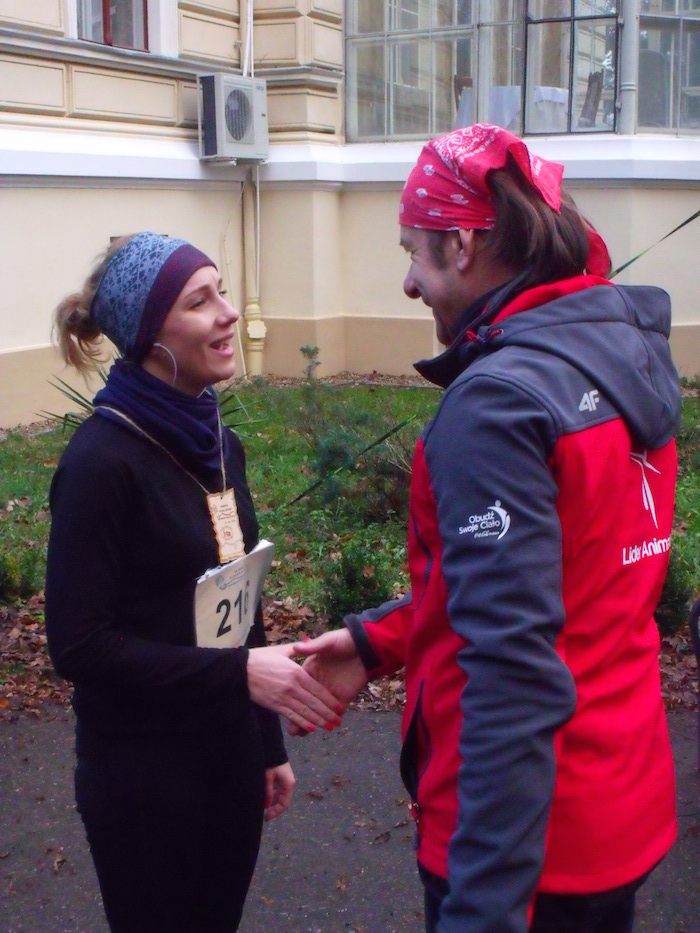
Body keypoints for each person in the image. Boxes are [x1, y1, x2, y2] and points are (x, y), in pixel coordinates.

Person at [294, 124, 681, 933]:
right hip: (619, 806)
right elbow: (573, 578)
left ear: (464, 245)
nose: (409, 282)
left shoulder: (500, 403)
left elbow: (513, 671)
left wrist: (484, 909)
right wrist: (380, 639)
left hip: (530, 849)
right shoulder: (618, 358)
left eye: (415, 252)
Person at [45, 231, 343, 933]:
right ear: (151, 335)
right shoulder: (101, 463)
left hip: (228, 751)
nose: (229, 313)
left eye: (222, 292)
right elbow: (78, 646)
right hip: (143, 772)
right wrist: (241, 675)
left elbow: (239, 591)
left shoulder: (216, 440)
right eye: (199, 301)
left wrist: (266, 744)